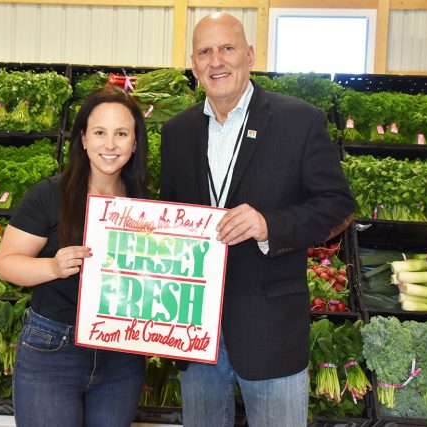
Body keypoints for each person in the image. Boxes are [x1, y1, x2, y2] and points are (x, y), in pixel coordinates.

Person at [160, 12, 356, 427]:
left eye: (227, 48)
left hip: (271, 330)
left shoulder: (298, 120)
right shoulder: (176, 133)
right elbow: (169, 217)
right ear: (193, 65)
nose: (217, 61)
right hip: (194, 332)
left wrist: (270, 224)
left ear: (249, 55)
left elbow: (337, 205)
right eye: (205, 52)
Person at [0, 86, 149, 427]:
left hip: (122, 353)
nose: (110, 145)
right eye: (99, 132)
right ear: (82, 139)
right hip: (53, 348)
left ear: (135, 143)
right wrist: (52, 266)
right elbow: (6, 263)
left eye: (121, 134)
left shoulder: (146, 206)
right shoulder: (50, 194)